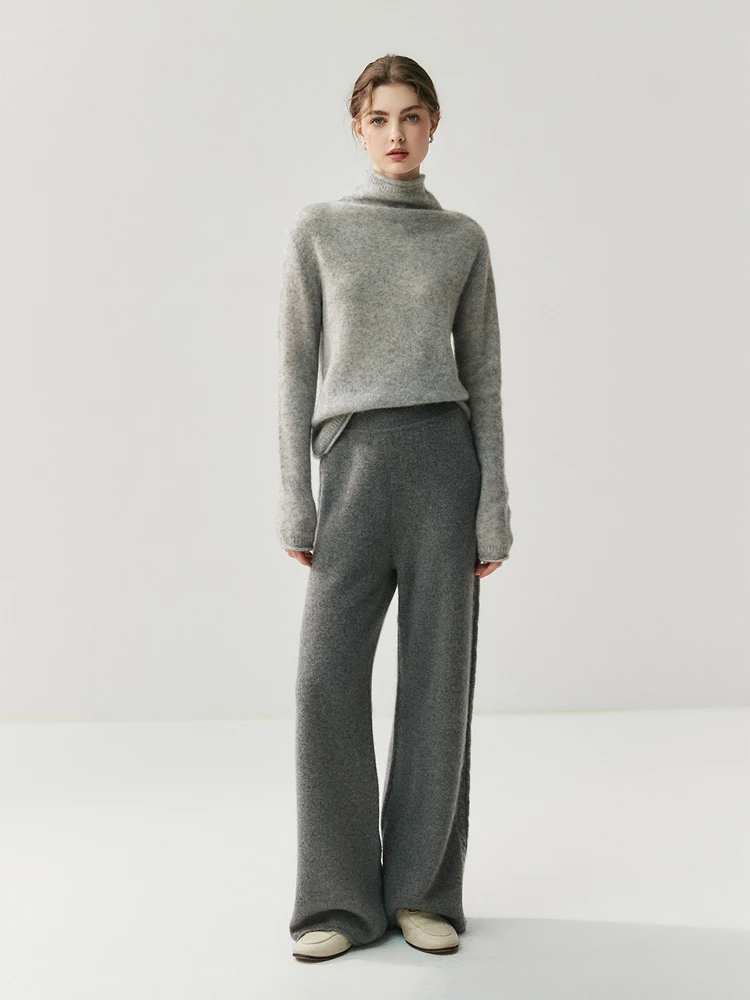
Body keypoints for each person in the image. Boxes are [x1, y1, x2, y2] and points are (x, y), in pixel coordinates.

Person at [276, 54, 514, 962]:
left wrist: (493, 507)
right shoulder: (321, 231)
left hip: (443, 468)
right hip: (352, 466)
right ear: (358, 128)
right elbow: (295, 369)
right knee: (323, 681)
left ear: (434, 124)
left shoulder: (462, 239)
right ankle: (338, 901)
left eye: (412, 116)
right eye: (379, 118)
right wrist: (295, 495)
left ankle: (422, 891)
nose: (396, 133)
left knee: (437, 684)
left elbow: (484, 379)